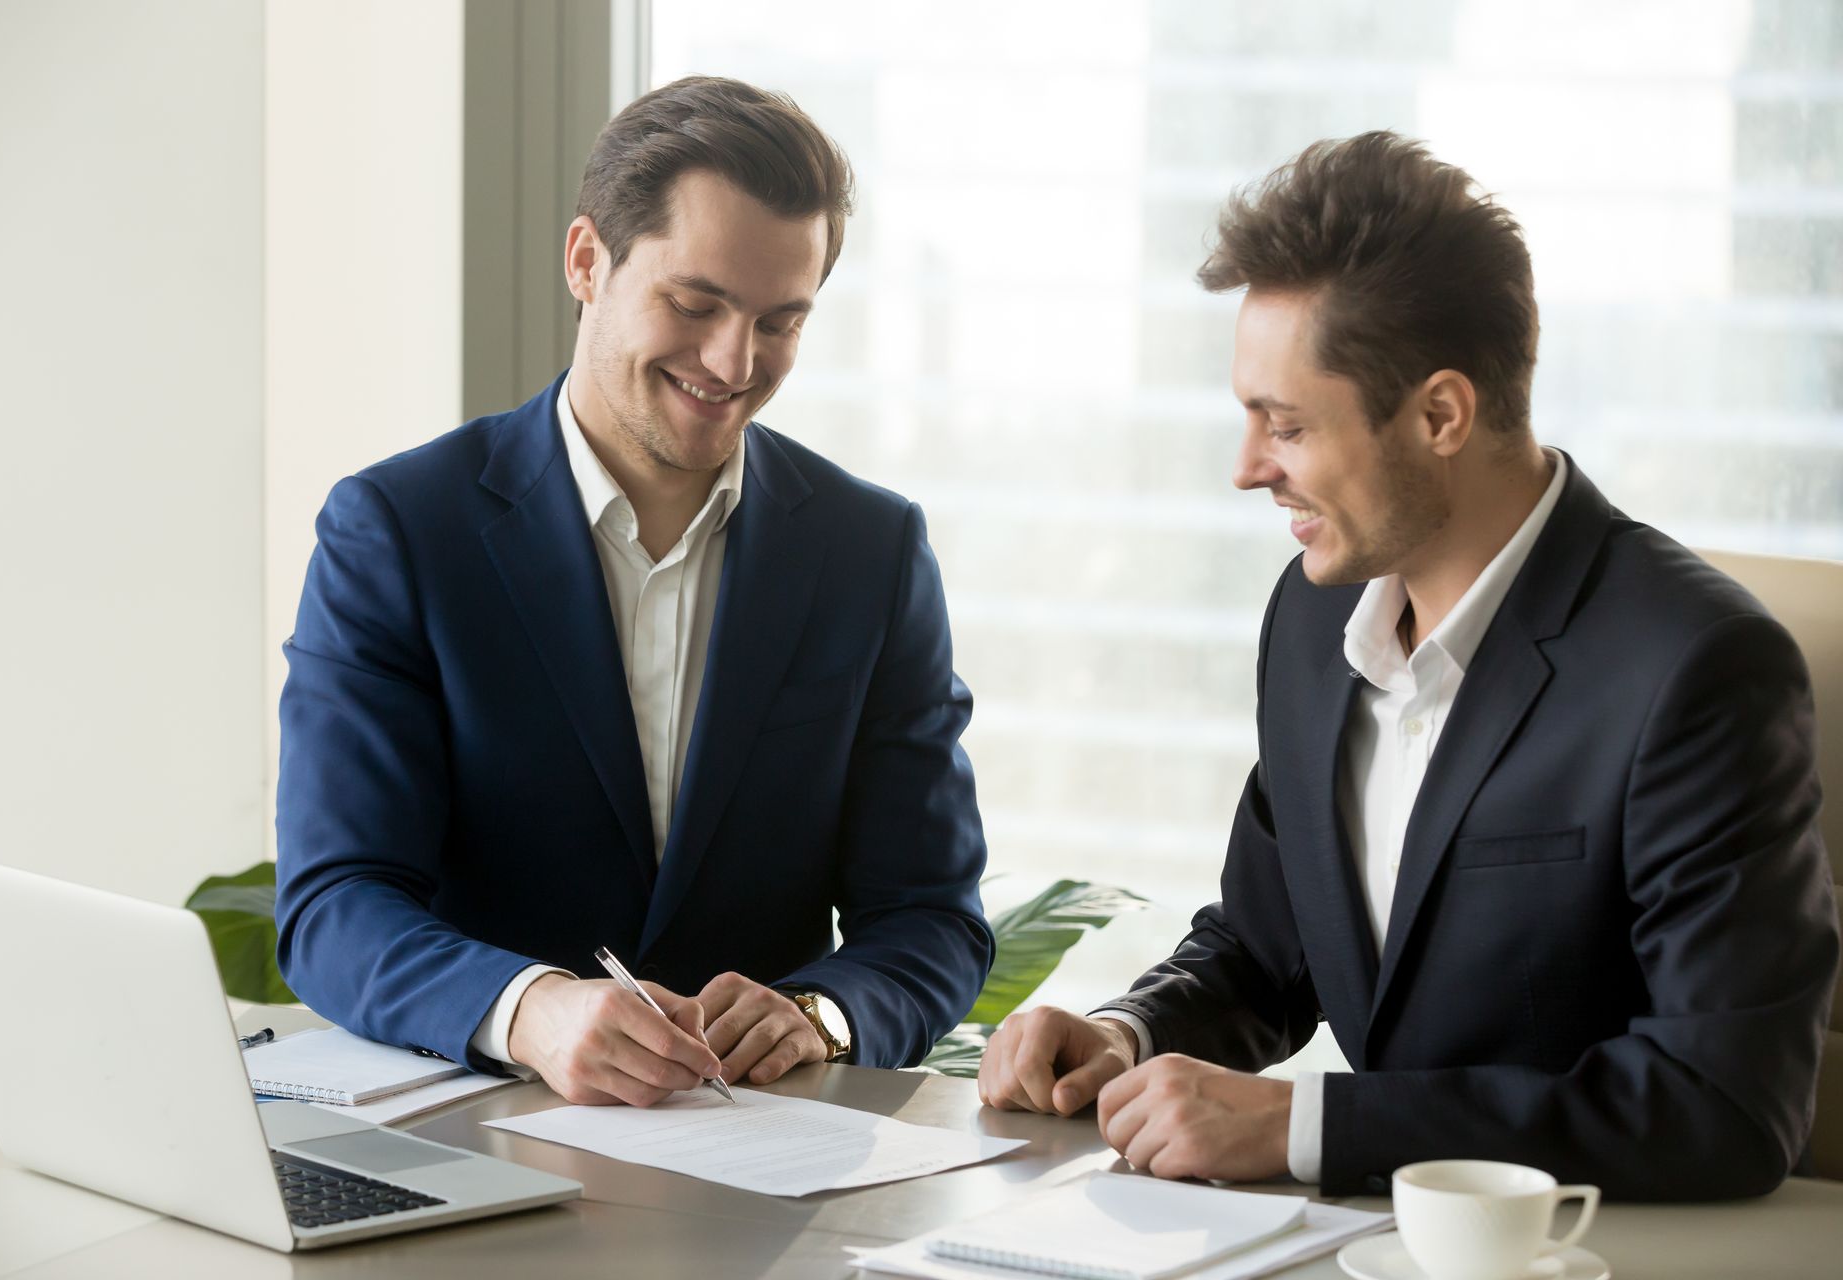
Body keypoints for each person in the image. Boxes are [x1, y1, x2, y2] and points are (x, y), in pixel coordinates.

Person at [979, 131, 1838, 1199]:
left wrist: (1314, 1127)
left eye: (1284, 425)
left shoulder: (1697, 669)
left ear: (1441, 412)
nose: (1247, 470)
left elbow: (1723, 1104)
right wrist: (1130, 1028)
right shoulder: (1310, 616)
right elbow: (1266, 943)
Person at [275, 76, 992, 1107]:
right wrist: (531, 1008)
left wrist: (822, 1013)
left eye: (780, 322)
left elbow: (931, 915)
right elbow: (335, 901)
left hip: (763, 1175)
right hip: (476, 1144)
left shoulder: (868, 551)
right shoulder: (397, 530)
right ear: (585, 261)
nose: (733, 362)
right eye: (694, 305)